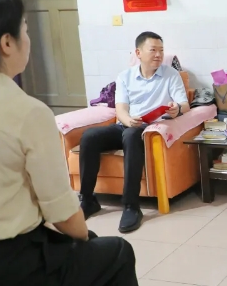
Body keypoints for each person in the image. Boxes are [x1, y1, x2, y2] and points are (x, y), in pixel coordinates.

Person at [0, 0, 148, 286]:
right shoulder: (25, 111)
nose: (28, 40)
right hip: (1, 279)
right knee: (113, 255)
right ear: (6, 43)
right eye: (25, 29)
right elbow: (63, 214)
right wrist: (82, 237)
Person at [79, 31, 189, 233]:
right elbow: (121, 108)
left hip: (150, 129)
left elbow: (184, 104)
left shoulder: (171, 75)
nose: (158, 54)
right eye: (153, 50)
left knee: (131, 135)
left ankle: (131, 206)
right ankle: (87, 200)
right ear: (138, 53)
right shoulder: (125, 76)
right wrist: (128, 120)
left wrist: (177, 109)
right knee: (89, 136)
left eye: (161, 50)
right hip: (127, 124)